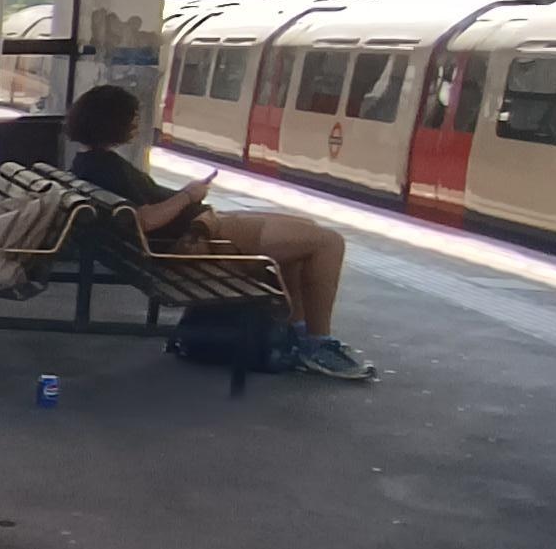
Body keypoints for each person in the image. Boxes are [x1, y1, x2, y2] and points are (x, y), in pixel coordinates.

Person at [60, 82, 374, 383]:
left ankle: (300, 334)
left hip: (190, 233)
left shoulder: (89, 164)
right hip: (197, 242)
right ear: (111, 121)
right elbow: (144, 221)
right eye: (132, 116)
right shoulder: (105, 167)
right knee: (328, 242)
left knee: (307, 232)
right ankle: (317, 344)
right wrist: (188, 195)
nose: (136, 123)